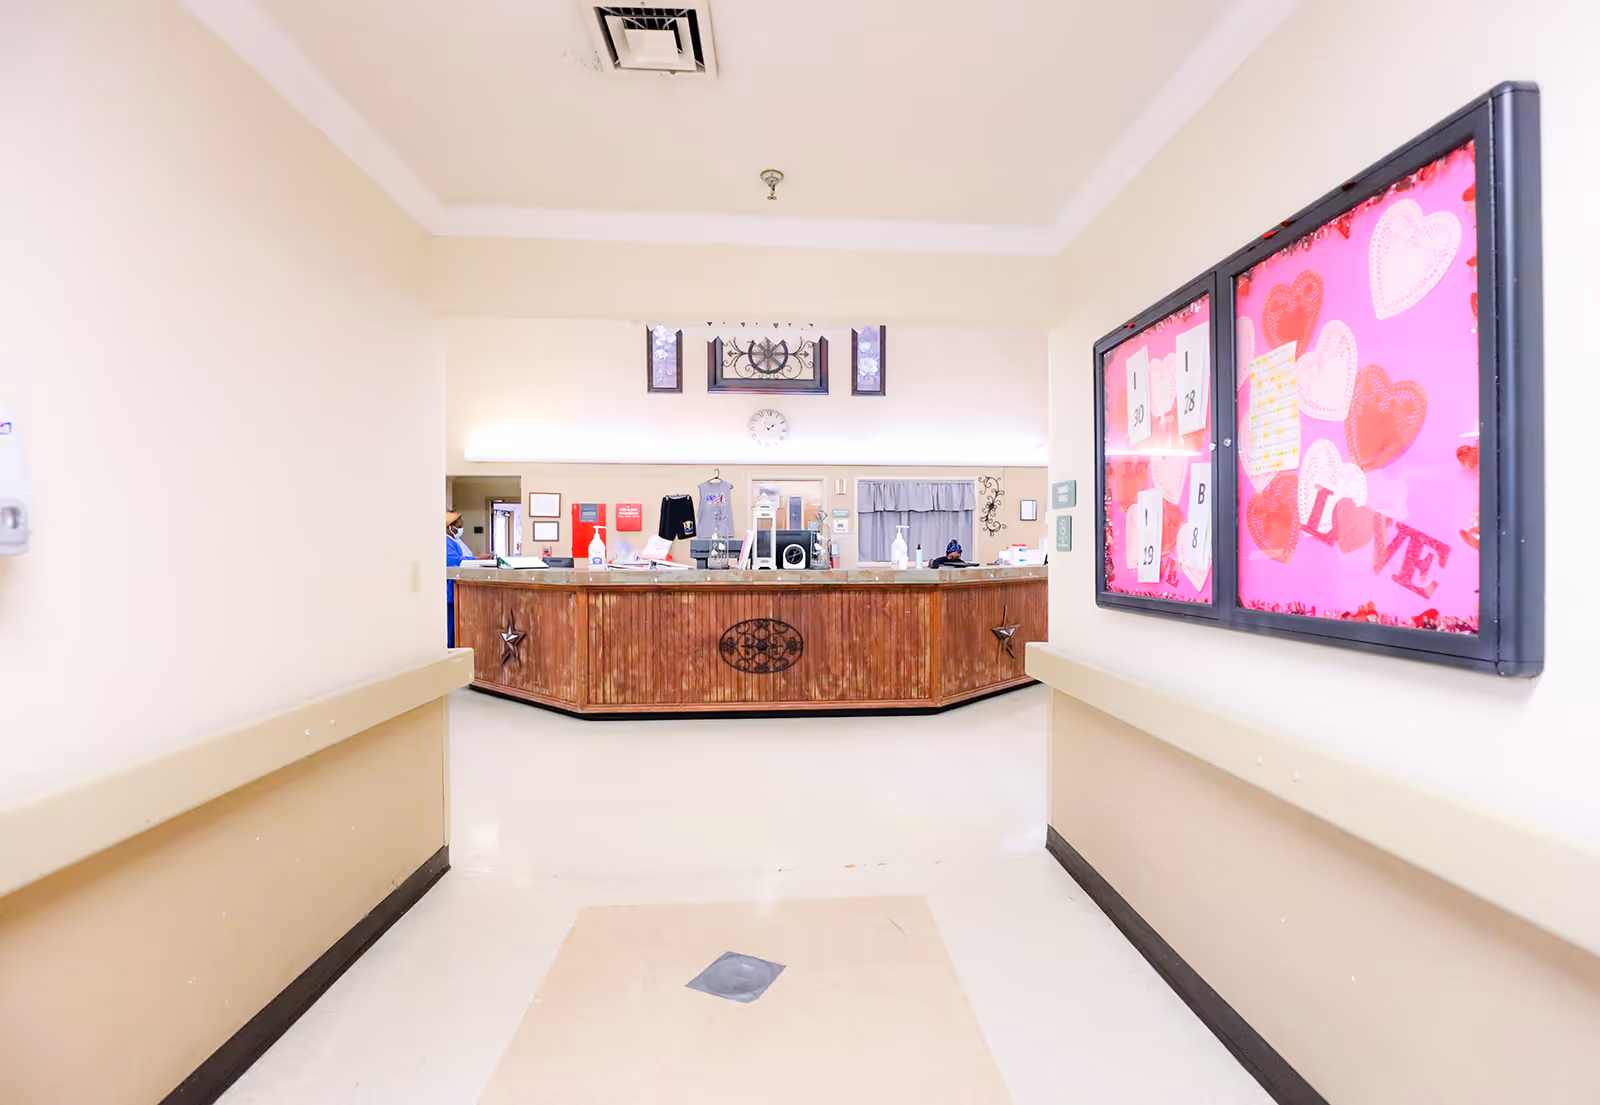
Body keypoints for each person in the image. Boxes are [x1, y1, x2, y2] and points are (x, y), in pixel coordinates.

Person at [446, 511, 474, 647]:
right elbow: (452, 562)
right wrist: (476, 559)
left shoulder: (455, 541)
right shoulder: (445, 541)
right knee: (450, 631)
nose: (461, 526)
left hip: (458, 590)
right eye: (458, 523)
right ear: (449, 526)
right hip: (451, 591)